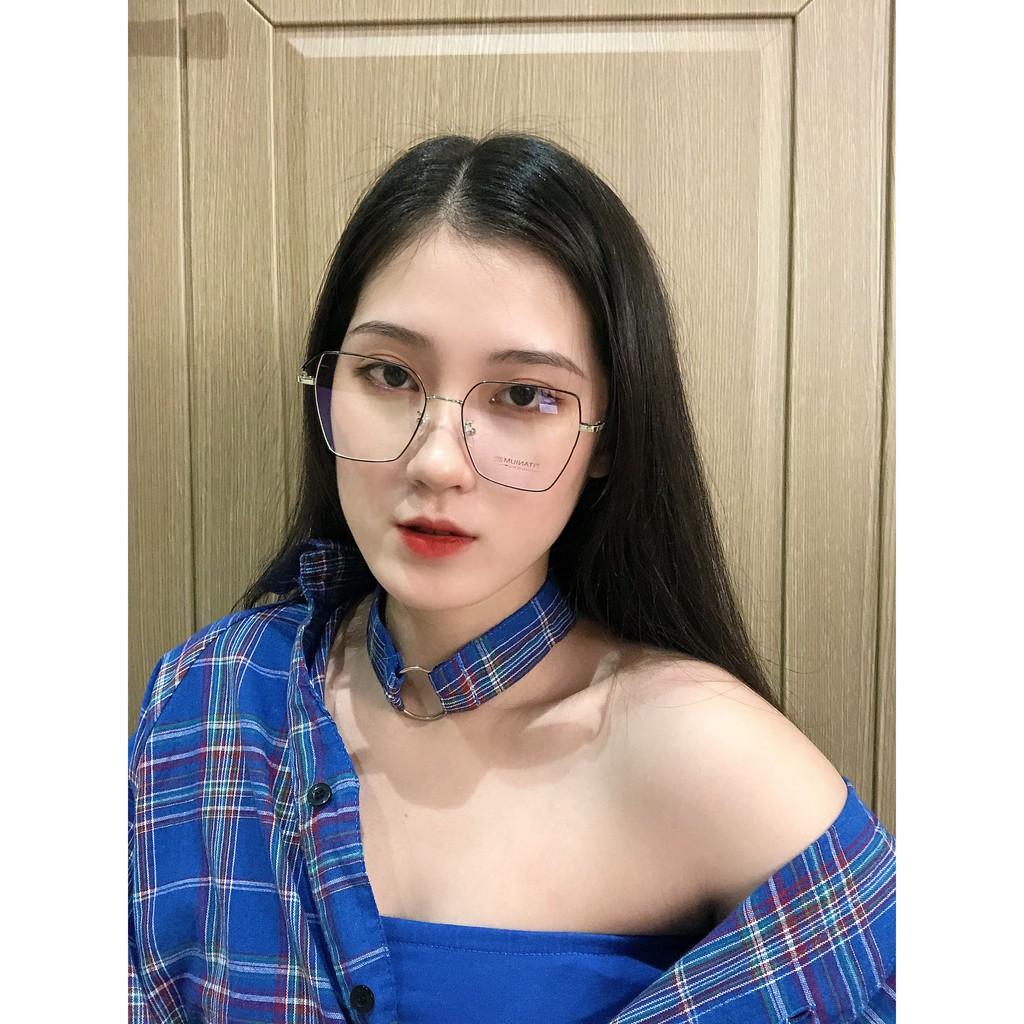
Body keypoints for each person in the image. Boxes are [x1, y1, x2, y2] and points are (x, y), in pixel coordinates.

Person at [129, 132, 895, 1023]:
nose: (437, 461)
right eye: (389, 374)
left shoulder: (700, 749)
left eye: (525, 395)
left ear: (607, 438)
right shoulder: (214, 696)